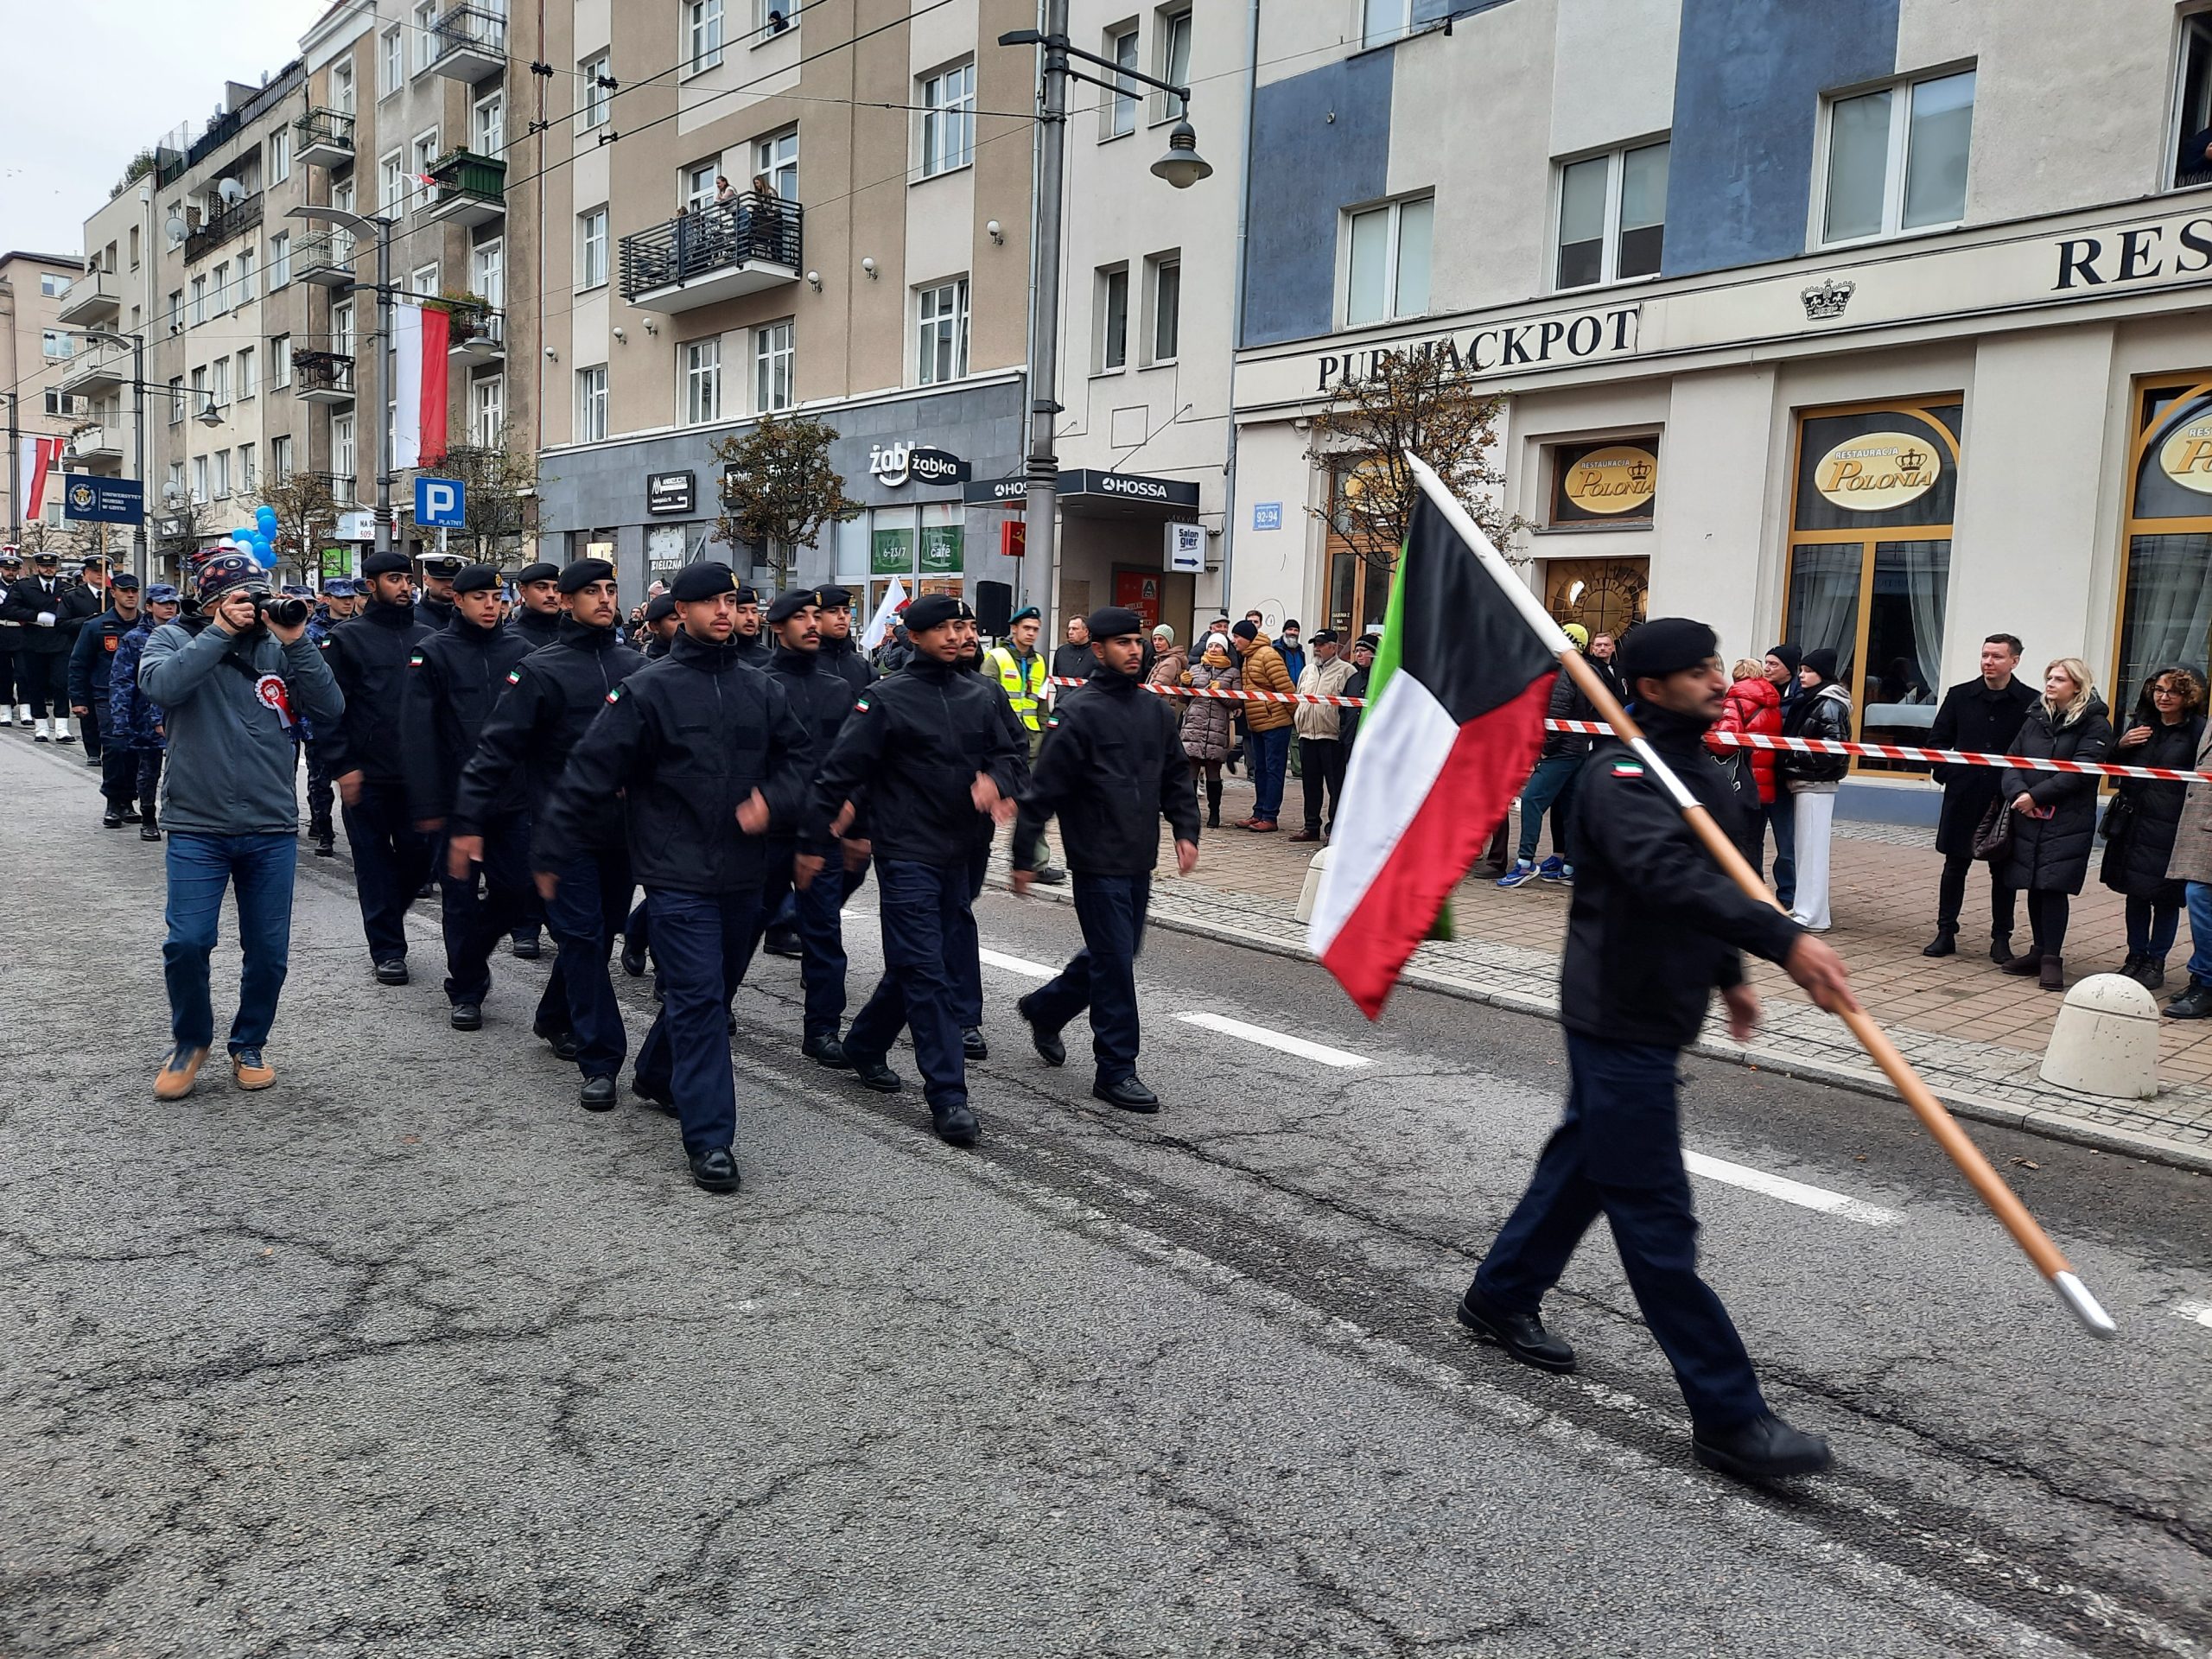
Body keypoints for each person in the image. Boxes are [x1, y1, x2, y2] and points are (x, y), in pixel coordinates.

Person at [1455, 617, 1857, 1482]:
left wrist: (1730, 974)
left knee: (1585, 1165)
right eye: (1698, 670)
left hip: (1661, 1007)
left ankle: (1500, 1294)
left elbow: (1717, 880)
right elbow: (1666, 876)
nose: (1719, 680)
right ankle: (1731, 1417)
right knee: (1655, 1217)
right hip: (1618, 1016)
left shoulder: (1704, 771)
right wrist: (1784, 941)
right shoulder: (1623, 776)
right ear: (1648, 687)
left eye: (1717, 665)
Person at [537, 561, 813, 1193]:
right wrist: (551, 849)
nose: (724, 612)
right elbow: (589, 771)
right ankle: (711, 1138)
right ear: (680, 611)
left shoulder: (762, 688)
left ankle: (658, 1073)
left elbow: (802, 763)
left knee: (717, 990)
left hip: (745, 871)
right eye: (710, 602)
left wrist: (774, 800)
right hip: (675, 872)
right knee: (697, 999)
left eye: (731, 601)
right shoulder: (647, 689)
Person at [812, 594, 1028, 1146]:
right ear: (914, 636)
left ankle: (865, 1042)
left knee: (918, 961)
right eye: (944, 628)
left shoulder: (983, 694)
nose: (958, 636)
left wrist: (997, 782)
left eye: (962, 626)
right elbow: (844, 769)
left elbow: (1013, 755)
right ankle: (949, 1096)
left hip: (965, 849)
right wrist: (826, 834)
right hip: (906, 850)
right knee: (930, 972)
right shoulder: (886, 698)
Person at [138, 548, 345, 1099]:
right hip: (196, 822)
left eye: (255, 596)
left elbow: (330, 706)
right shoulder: (172, 639)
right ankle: (190, 1042)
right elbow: (162, 689)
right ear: (209, 602)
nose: (250, 607)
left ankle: (249, 1043)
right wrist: (220, 633)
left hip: (269, 823)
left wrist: (297, 641)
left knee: (269, 950)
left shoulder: (281, 646)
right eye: (236, 599)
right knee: (187, 942)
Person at [454, 557, 643, 1101]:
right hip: (563, 830)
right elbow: (495, 751)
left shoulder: (637, 666)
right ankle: (600, 1059)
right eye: (592, 591)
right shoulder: (540, 670)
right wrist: (468, 820)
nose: (604, 599)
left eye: (611, 589)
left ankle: (554, 1014)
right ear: (566, 601)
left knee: (601, 935)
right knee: (580, 936)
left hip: (624, 832)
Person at [1013, 607, 1201, 1112]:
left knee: (1116, 952)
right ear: (1098, 650)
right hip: (1095, 858)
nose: (1134, 650)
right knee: (1116, 962)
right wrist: (1024, 854)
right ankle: (1116, 1069)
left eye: (1136, 641)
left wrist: (1186, 830)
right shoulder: (1079, 711)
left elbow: (1175, 776)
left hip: (1139, 855)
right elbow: (1044, 789)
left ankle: (1046, 1008)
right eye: (1122, 643)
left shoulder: (1154, 710)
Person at [402, 563, 536, 1030]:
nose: (490, 606)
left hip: (511, 798)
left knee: (515, 891)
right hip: (455, 802)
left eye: (497, 598)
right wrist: (428, 805)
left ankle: (471, 957)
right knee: (458, 896)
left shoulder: (522, 652)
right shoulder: (433, 652)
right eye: (480, 598)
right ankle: (466, 987)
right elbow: (418, 733)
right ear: (457, 601)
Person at [759, 588, 868, 1066]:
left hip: (822, 832)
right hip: (767, 835)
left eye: (813, 616)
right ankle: (712, 1007)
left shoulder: (837, 688)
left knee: (824, 935)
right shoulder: (759, 684)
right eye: (799, 616)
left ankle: (822, 1028)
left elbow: (857, 758)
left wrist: (854, 812)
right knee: (741, 930)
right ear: (777, 627)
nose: (810, 624)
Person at [320, 550, 434, 983]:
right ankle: (388, 949)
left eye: (408, 579)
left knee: (421, 859)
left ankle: (388, 914)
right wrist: (343, 765)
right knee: (373, 863)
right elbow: (328, 710)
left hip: (419, 775)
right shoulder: (346, 639)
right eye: (394, 580)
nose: (405, 587)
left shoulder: (429, 637)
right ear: (371, 586)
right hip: (366, 775)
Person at [1996, 658, 2113, 991]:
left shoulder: (2095, 724)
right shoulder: (2035, 717)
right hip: (2029, 815)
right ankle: (2037, 951)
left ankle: (2052, 959)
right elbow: (2012, 760)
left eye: (2059, 679)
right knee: (2033, 882)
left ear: (2077, 686)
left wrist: (2036, 796)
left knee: (2053, 886)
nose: (2050, 683)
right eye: (2049, 677)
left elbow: (2080, 772)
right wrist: (2019, 794)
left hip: (2067, 818)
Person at [1923, 633, 2037, 961]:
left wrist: (2020, 788)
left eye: (1997, 657)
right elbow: (1937, 742)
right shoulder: (1960, 695)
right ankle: (1946, 932)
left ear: (2014, 661)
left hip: (2005, 797)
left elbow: (2034, 750)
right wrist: (1950, 775)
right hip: (1964, 794)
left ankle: (2001, 938)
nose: (1988, 662)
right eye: (1985, 655)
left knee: (2002, 872)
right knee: (1954, 866)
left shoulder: (2030, 701)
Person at [2099, 666, 2205, 990]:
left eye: (2172, 691)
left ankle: (2155, 961)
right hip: (2134, 822)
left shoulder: (2198, 731)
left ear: (2188, 696)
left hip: (2172, 826)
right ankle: (2135, 956)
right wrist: (2120, 745)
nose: (2164, 697)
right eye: (2159, 689)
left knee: (2166, 897)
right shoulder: (2142, 724)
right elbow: (2111, 766)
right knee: (2135, 893)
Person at [1499, 623, 1595, 886]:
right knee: (1570, 807)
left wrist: (1546, 749)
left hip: (1561, 751)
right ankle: (1570, 866)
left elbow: (1557, 713)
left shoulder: (1564, 672)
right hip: (1578, 749)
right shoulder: (1585, 670)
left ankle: (1525, 863)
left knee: (1532, 801)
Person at [984, 606, 1065, 883]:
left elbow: (1041, 704)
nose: (1031, 633)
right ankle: (975, 851)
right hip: (1002, 746)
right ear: (1014, 629)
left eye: (1035, 629)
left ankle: (1036, 864)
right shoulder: (995, 658)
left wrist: (1044, 737)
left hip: (1031, 743)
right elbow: (986, 701)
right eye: (1027, 628)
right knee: (991, 802)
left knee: (1033, 804)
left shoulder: (1040, 662)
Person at [1777, 647, 1851, 931]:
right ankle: (1806, 910)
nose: (1802, 676)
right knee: (1806, 849)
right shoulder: (1814, 701)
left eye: (1808, 671)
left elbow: (1833, 749)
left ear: (1823, 674)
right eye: (1801, 670)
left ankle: (1812, 915)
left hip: (1816, 782)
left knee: (1812, 851)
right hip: (1807, 780)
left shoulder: (1828, 703)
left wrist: (1793, 757)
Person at [109, 582, 180, 841]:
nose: (169, 607)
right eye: (163, 603)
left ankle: (177, 817)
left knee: (181, 770)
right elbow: (122, 680)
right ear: (149, 606)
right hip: (144, 713)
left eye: (173, 603)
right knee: (148, 769)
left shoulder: (185, 634)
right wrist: (120, 718)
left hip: (178, 713)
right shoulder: (135, 638)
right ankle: (148, 816)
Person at [70, 573, 143, 821]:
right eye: (125, 591)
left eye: (134, 591)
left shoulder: (146, 626)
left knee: (135, 750)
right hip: (106, 695)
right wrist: (78, 700)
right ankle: (113, 801)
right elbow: (79, 664)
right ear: (114, 593)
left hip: (140, 697)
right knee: (115, 747)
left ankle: (128, 800)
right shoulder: (96, 626)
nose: (130, 595)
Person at [1706, 658, 1783, 875]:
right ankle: (1756, 884)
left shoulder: (1735, 700)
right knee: (1755, 841)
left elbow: (1724, 744)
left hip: (1741, 781)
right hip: (1765, 782)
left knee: (1735, 839)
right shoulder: (1772, 702)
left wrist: (1709, 733)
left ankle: (1739, 883)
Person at [301, 577, 355, 857]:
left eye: (350, 597)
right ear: (327, 599)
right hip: (319, 717)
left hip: (352, 715)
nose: (347, 602)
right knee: (320, 779)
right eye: (341, 597)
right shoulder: (311, 631)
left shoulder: (358, 629)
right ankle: (323, 830)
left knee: (352, 779)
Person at [4, 550, 79, 742]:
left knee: (61, 684)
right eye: (45, 566)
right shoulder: (24, 587)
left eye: (52, 566)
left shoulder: (66, 588)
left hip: (60, 640)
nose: (48, 569)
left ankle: (62, 727)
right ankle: (41, 725)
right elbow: (8, 609)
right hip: (34, 641)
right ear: (38, 567)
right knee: (36, 684)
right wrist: (35, 616)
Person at [1290, 629, 1356, 843]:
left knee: (1335, 786)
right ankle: (1311, 826)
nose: (1317, 648)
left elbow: (1349, 707)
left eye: (1321, 644)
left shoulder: (1347, 671)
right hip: (1307, 734)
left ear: (1333, 647)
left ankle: (1335, 828)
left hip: (1331, 736)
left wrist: (1342, 731)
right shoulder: (1307, 670)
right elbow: (1299, 697)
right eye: (1315, 644)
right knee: (1310, 785)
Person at [1230, 620, 1295, 831]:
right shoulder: (1248, 656)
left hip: (1275, 722)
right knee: (1261, 769)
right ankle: (1258, 813)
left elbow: (1286, 689)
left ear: (1247, 638)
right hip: (1257, 723)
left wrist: (1295, 717)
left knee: (1274, 770)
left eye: (1237, 637)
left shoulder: (1268, 655)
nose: (1234, 641)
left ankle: (1270, 816)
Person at [1179, 634, 1240, 828]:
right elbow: (1183, 700)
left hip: (1217, 727)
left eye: (1218, 646)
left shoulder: (1232, 672)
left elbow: (1236, 702)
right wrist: (1184, 685)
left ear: (1225, 650)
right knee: (1191, 769)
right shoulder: (1195, 669)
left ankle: (1215, 813)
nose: (1213, 649)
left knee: (1214, 770)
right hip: (1194, 725)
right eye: (1211, 645)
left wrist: (1220, 693)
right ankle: (1191, 813)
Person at [815, 584, 875, 696]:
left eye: (846, 611)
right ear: (816, 617)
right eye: (833, 611)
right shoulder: (804, 663)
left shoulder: (863, 666)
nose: (842, 616)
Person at [507, 560, 563, 651]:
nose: (551, 594)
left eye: (556, 589)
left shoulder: (574, 635)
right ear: (523, 591)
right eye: (542, 588)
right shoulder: (509, 639)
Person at [1339, 633, 1377, 755]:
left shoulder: (1382, 679)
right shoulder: (1352, 679)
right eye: (1356, 651)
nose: (1359, 654)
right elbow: (1343, 707)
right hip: (1350, 740)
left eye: (1363, 650)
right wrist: (1344, 730)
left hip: (1374, 741)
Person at [0, 548, 22, 726]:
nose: (10, 572)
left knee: (24, 673)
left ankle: (26, 708)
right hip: (2, 632)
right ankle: (4, 708)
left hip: (21, 633)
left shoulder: (23, 587)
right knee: (3, 674)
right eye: (7, 569)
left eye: (14, 570)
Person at [415, 553, 461, 632]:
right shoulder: (412, 617)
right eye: (441, 579)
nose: (449, 585)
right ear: (425, 579)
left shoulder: (470, 616)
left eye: (453, 579)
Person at [1051, 614, 1093, 682]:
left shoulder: (1096, 653)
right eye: (1069, 629)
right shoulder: (1061, 652)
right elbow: (1056, 677)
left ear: (1086, 632)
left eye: (1075, 629)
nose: (1070, 632)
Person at [641, 592, 679, 658]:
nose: (683, 623)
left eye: (688, 618)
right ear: (654, 627)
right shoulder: (647, 660)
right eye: (674, 619)